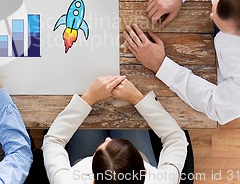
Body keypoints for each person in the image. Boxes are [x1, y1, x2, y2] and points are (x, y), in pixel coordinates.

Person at [42, 75, 188, 184]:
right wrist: (136, 98)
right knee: (126, 109)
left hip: (81, 163)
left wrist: (88, 98)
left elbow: (53, 141)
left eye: (103, 146)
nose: (108, 139)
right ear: (144, 171)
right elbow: (177, 140)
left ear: (94, 180)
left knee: (85, 87)